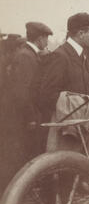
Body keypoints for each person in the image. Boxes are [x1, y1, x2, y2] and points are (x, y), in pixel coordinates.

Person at [0, 22, 52, 193]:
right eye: (46, 39)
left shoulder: (29, 54)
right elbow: (22, 92)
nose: (47, 43)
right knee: (14, 161)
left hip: (20, 118)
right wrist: (31, 117)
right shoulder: (26, 57)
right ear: (40, 38)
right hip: (19, 120)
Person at [38, 12, 89, 154]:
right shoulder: (60, 56)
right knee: (65, 171)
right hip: (66, 132)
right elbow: (46, 94)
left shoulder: (83, 57)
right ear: (81, 33)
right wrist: (75, 105)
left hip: (82, 127)